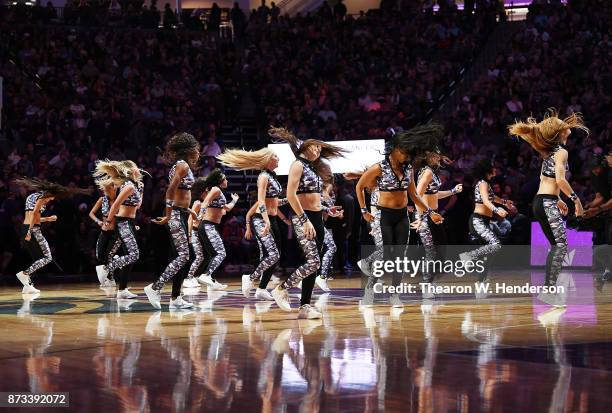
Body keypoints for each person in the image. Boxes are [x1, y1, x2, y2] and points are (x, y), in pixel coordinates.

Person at [355, 124, 445, 307]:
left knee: (400, 257)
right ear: (395, 150)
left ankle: (395, 294)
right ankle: (369, 289)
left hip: (402, 216)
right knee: (384, 256)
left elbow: (413, 194)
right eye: (404, 152)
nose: (406, 157)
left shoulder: (408, 169)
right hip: (383, 216)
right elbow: (359, 186)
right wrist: (364, 211)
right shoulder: (378, 167)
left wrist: (430, 213)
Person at [509, 110, 588, 296]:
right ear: (559, 132)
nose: (568, 128)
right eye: (564, 127)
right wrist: (577, 201)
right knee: (560, 245)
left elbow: (546, 178)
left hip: (543, 201)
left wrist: (558, 198)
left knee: (558, 245)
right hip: (546, 202)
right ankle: (549, 290)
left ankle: (549, 289)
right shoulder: (561, 152)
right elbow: (560, 180)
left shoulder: (550, 152)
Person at [268, 127, 345, 318]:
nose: (318, 151)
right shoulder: (298, 165)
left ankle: (305, 306)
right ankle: (281, 289)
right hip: (305, 219)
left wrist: (328, 210)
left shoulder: (311, 167)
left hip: (317, 217)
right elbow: (291, 195)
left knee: (314, 263)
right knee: (313, 262)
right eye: (316, 148)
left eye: (320, 149)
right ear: (306, 147)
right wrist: (304, 220)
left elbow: (311, 197)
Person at [217, 148, 289, 300]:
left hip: (273, 219)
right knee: (273, 254)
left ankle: (261, 289)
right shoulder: (263, 176)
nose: (278, 158)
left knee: (275, 256)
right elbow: (261, 201)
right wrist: (266, 220)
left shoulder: (272, 176)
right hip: (261, 219)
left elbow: (275, 202)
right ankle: (250, 278)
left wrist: (291, 199)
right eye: (275, 155)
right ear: (268, 160)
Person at [145, 133, 200, 310]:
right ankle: (155, 287)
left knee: (183, 256)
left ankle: (176, 298)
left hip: (181, 212)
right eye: (197, 149)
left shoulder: (183, 166)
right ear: (189, 150)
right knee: (184, 255)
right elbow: (170, 191)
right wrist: (169, 215)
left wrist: (188, 209)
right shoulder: (182, 166)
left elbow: (181, 195)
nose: (199, 153)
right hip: (174, 214)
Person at [14, 178, 87, 294]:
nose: (52, 199)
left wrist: (48, 219)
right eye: (52, 197)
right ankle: (24, 274)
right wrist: (30, 231)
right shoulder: (42, 198)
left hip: (27, 227)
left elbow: (31, 217)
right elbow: (33, 215)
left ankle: (27, 285)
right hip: (32, 229)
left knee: (38, 258)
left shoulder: (32, 197)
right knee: (48, 257)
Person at [94, 160, 145, 300]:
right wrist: (109, 221)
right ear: (131, 171)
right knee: (134, 255)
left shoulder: (136, 185)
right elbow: (115, 205)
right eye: (136, 167)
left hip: (130, 221)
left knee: (130, 257)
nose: (139, 169)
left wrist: (141, 188)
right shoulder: (128, 186)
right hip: (123, 222)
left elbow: (138, 205)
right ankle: (106, 268)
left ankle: (122, 289)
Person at [459, 160, 513, 283]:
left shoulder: (486, 184)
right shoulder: (483, 183)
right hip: (478, 220)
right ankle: (469, 256)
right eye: (493, 167)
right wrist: (497, 210)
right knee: (495, 244)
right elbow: (485, 200)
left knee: (492, 249)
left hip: (484, 220)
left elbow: (493, 198)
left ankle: (481, 279)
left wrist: (505, 202)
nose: (495, 169)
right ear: (487, 170)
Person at [415, 149, 462, 284]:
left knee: (440, 248)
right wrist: (425, 215)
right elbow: (417, 195)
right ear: (429, 158)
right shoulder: (428, 172)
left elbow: (434, 194)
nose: (439, 158)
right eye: (435, 156)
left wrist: (452, 191)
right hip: (426, 216)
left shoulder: (431, 171)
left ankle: (429, 280)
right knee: (431, 251)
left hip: (432, 215)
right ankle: (427, 282)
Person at [198, 168, 239, 290]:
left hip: (211, 226)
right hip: (208, 225)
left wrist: (235, 200)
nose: (227, 180)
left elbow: (227, 208)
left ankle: (212, 281)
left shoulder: (219, 192)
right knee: (221, 253)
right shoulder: (216, 189)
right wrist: (201, 213)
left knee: (213, 254)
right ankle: (206, 275)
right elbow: (205, 202)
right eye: (225, 178)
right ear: (220, 180)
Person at [89, 180, 120, 288]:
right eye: (105, 190)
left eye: (108, 189)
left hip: (116, 232)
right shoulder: (102, 199)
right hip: (104, 231)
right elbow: (91, 213)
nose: (106, 192)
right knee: (100, 255)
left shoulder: (120, 199)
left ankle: (111, 279)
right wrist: (98, 221)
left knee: (109, 255)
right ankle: (115, 263)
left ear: (114, 188)